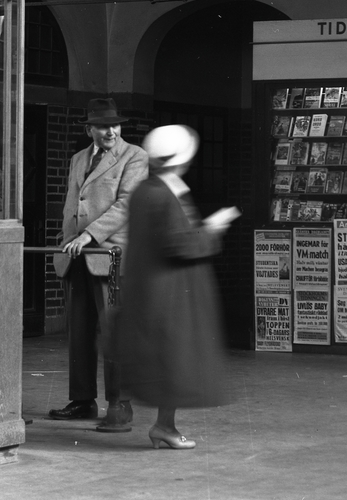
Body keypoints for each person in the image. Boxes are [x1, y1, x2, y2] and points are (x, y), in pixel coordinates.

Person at [111, 124, 240, 449]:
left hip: (156, 287)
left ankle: (165, 426)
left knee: (169, 360)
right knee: (175, 359)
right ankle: (164, 426)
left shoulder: (148, 190)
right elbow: (177, 244)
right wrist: (213, 228)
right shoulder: (163, 193)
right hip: (169, 293)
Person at [48, 98, 148, 432]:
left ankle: (120, 404)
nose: (111, 131)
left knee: (114, 333)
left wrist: (88, 237)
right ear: (89, 129)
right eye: (103, 126)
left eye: (116, 125)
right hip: (76, 256)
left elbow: (127, 204)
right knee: (78, 332)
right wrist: (67, 241)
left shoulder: (135, 157)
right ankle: (82, 401)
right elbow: (71, 204)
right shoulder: (79, 158)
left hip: (110, 257)